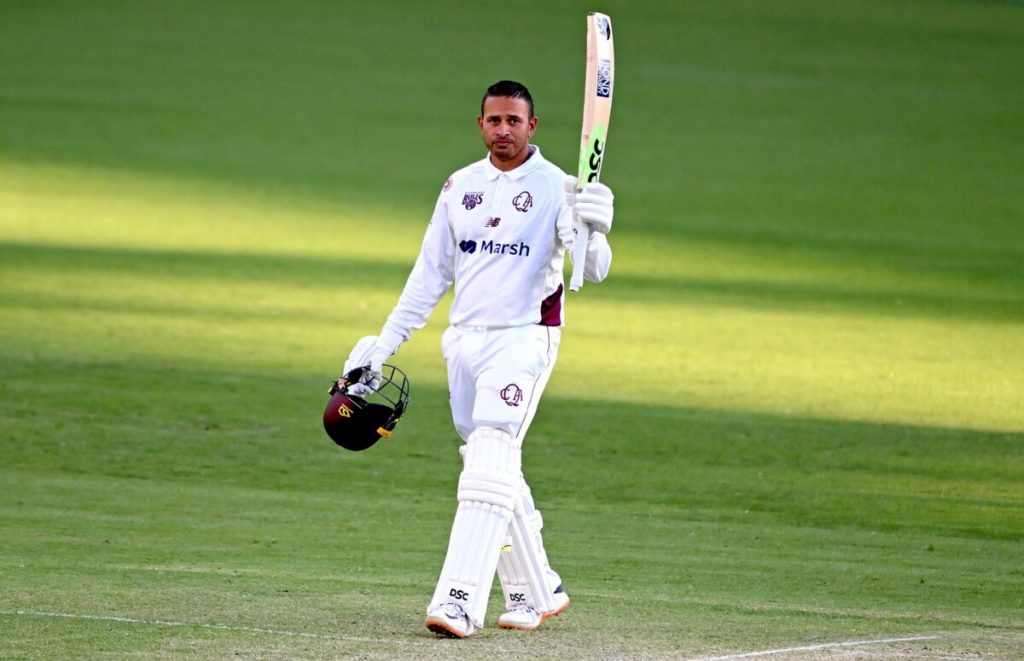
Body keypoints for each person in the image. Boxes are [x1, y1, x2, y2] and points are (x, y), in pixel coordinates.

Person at [343, 80, 614, 638]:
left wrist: (597, 228)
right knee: (489, 465)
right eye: (494, 120)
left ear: (532, 126)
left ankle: (458, 600)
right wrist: (383, 345)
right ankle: (537, 589)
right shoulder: (459, 186)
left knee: (490, 453)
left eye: (515, 121)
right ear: (481, 124)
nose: (504, 130)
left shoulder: (558, 188)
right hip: (463, 341)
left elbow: (590, 271)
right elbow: (429, 277)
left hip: (522, 338)